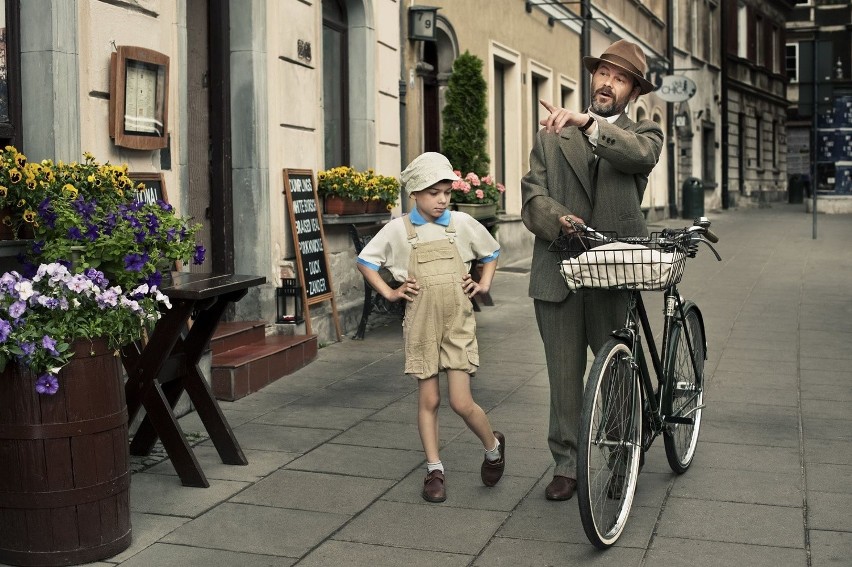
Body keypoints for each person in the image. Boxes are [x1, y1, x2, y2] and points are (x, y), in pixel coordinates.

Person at [520, 39, 664, 501]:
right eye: (604, 72)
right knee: (563, 378)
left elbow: (639, 156)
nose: (607, 82)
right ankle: (566, 464)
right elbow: (531, 197)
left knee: (618, 374)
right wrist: (559, 221)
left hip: (613, 273)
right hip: (558, 272)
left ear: (633, 92)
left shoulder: (644, 134)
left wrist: (589, 123)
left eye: (620, 78)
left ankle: (623, 456)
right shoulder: (550, 134)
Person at [357, 152, 506, 503]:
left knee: (460, 402)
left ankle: (494, 449)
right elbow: (366, 261)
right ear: (414, 195)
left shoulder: (461, 224)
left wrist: (483, 284)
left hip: (457, 322)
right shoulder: (398, 230)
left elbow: (491, 252)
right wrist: (391, 292)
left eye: (446, 192)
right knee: (429, 398)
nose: (441, 200)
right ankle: (434, 469)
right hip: (421, 322)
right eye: (432, 193)